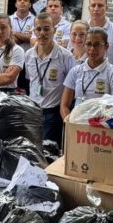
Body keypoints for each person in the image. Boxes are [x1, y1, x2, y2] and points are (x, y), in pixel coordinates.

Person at [25, 12, 75, 144]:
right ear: (34, 31)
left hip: (53, 113)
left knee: (48, 152)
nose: (42, 33)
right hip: (33, 112)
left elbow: (71, 88)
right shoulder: (28, 55)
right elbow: (30, 81)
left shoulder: (66, 56)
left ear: (55, 30)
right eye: (38, 29)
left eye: (47, 29)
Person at [60, 27, 113, 119]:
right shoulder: (75, 71)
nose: (92, 49)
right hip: (77, 125)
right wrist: (70, 123)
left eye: (97, 45)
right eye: (88, 44)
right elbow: (64, 105)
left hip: (102, 128)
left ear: (106, 46)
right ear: (84, 45)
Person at [9, 0, 35, 93]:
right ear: (15, 4)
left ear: (30, 4)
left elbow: (33, 38)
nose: (22, 2)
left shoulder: (35, 20)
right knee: (13, 89)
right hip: (12, 60)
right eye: (20, 0)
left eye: (25, 0)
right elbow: (9, 40)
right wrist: (26, 37)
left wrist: (15, 33)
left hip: (29, 61)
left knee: (27, 89)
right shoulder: (9, 19)